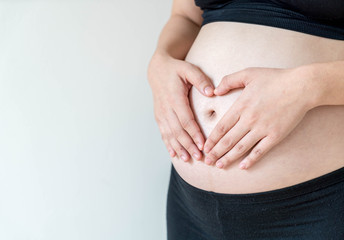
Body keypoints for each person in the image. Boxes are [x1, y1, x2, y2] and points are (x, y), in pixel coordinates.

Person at [147, 0, 344, 239]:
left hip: (317, 204)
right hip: (190, 207)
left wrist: (306, 86)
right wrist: (161, 60)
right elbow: (186, 17)